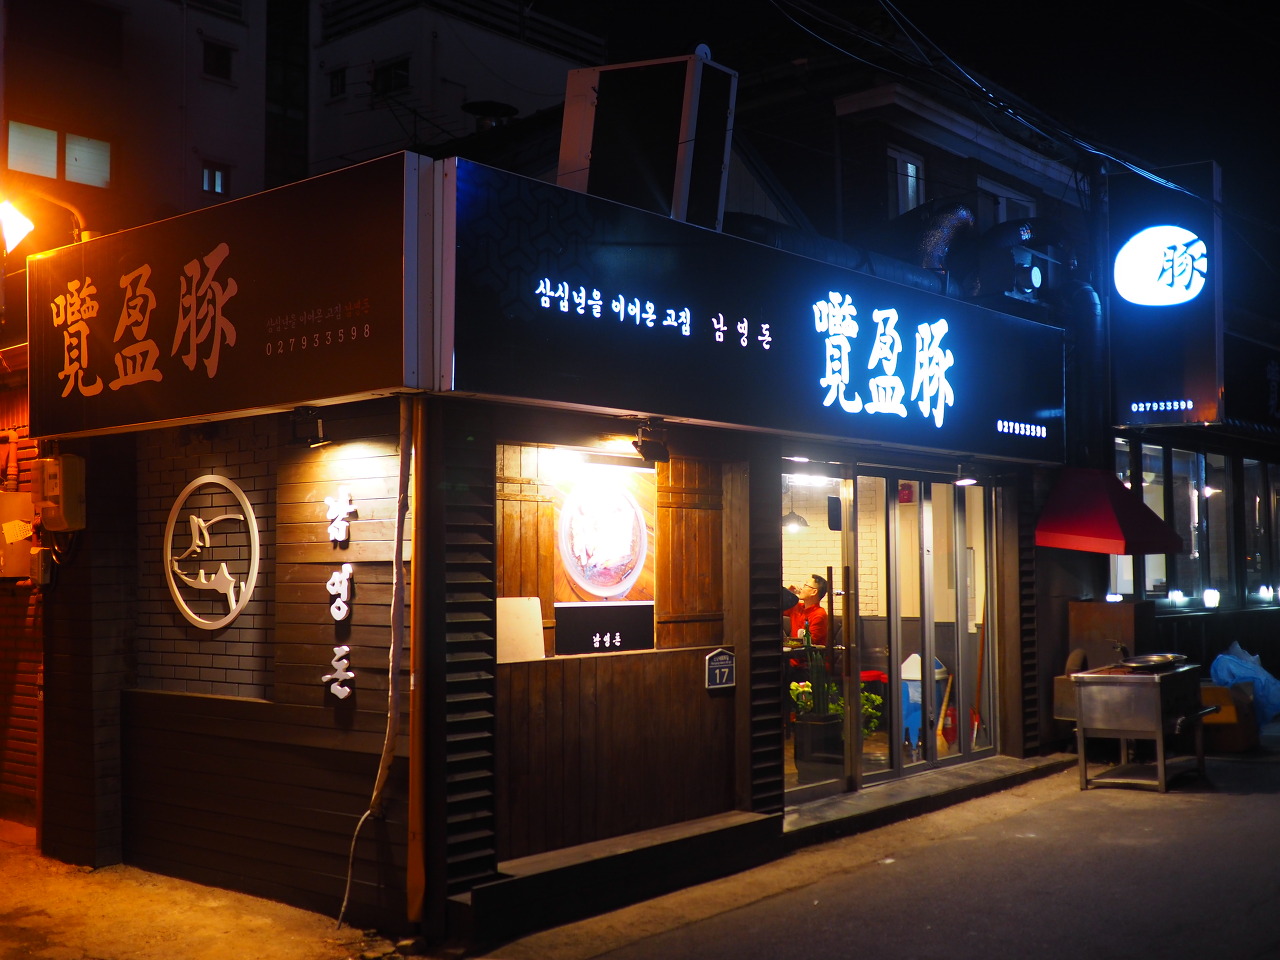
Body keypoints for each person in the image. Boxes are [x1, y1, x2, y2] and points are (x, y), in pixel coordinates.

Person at [787, 574, 829, 646]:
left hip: (809, 652)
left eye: (805, 585)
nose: (801, 588)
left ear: (814, 592)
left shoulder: (819, 615)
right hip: (794, 651)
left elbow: (809, 642)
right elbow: (775, 607)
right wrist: (787, 593)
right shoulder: (796, 607)